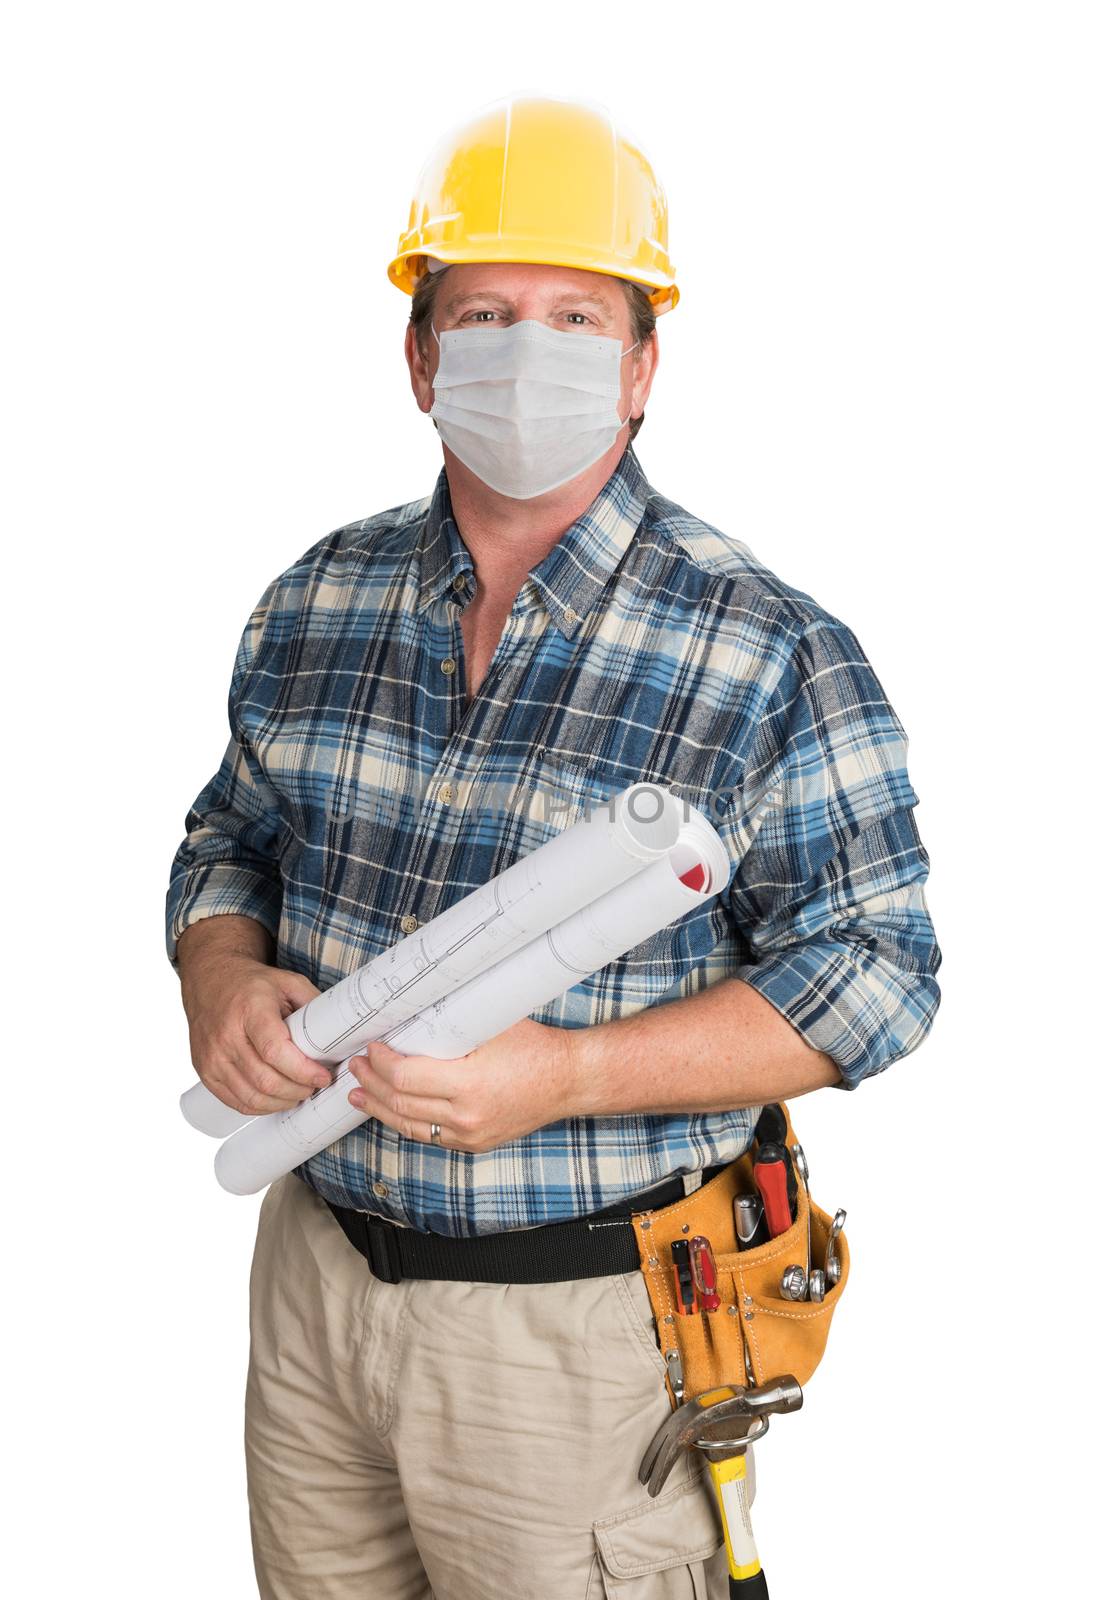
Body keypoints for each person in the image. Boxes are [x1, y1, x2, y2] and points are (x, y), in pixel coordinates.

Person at [166, 94, 941, 1600]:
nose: (527, 356)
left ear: (643, 366)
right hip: (314, 1281)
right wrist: (220, 974)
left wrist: (571, 1076)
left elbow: (877, 981)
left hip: (578, 1330)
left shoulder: (763, 648)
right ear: (418, 358)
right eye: (484, 315)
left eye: (576, 317)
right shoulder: (317, 600)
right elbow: (228, 841)